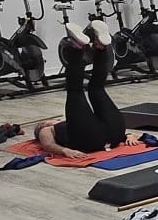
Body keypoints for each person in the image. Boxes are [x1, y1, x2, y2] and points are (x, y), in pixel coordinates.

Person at [33, 15, 127, 158]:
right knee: (76, 91)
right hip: (90, 140)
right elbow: (47, 144)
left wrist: (128, 136)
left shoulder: (73, 122)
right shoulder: (46, 129)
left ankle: (99, 47)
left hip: (115, 134)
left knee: (95, 89)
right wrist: (64, 151)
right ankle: (83, 48)